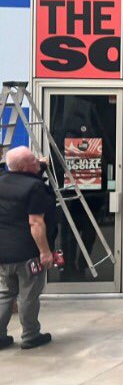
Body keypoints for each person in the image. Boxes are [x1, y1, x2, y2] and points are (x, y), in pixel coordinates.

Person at [0, 146, 54, 350]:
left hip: (4, 253)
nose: (37, 162)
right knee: (28, 296)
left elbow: (21, 176)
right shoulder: (35, 187)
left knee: (5, 293)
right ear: (23, 167)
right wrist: (45, 252)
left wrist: (39, 166)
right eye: (33, 160)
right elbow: (36, 223)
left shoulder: (3, 181)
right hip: (27, 253)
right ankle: (31, 335)